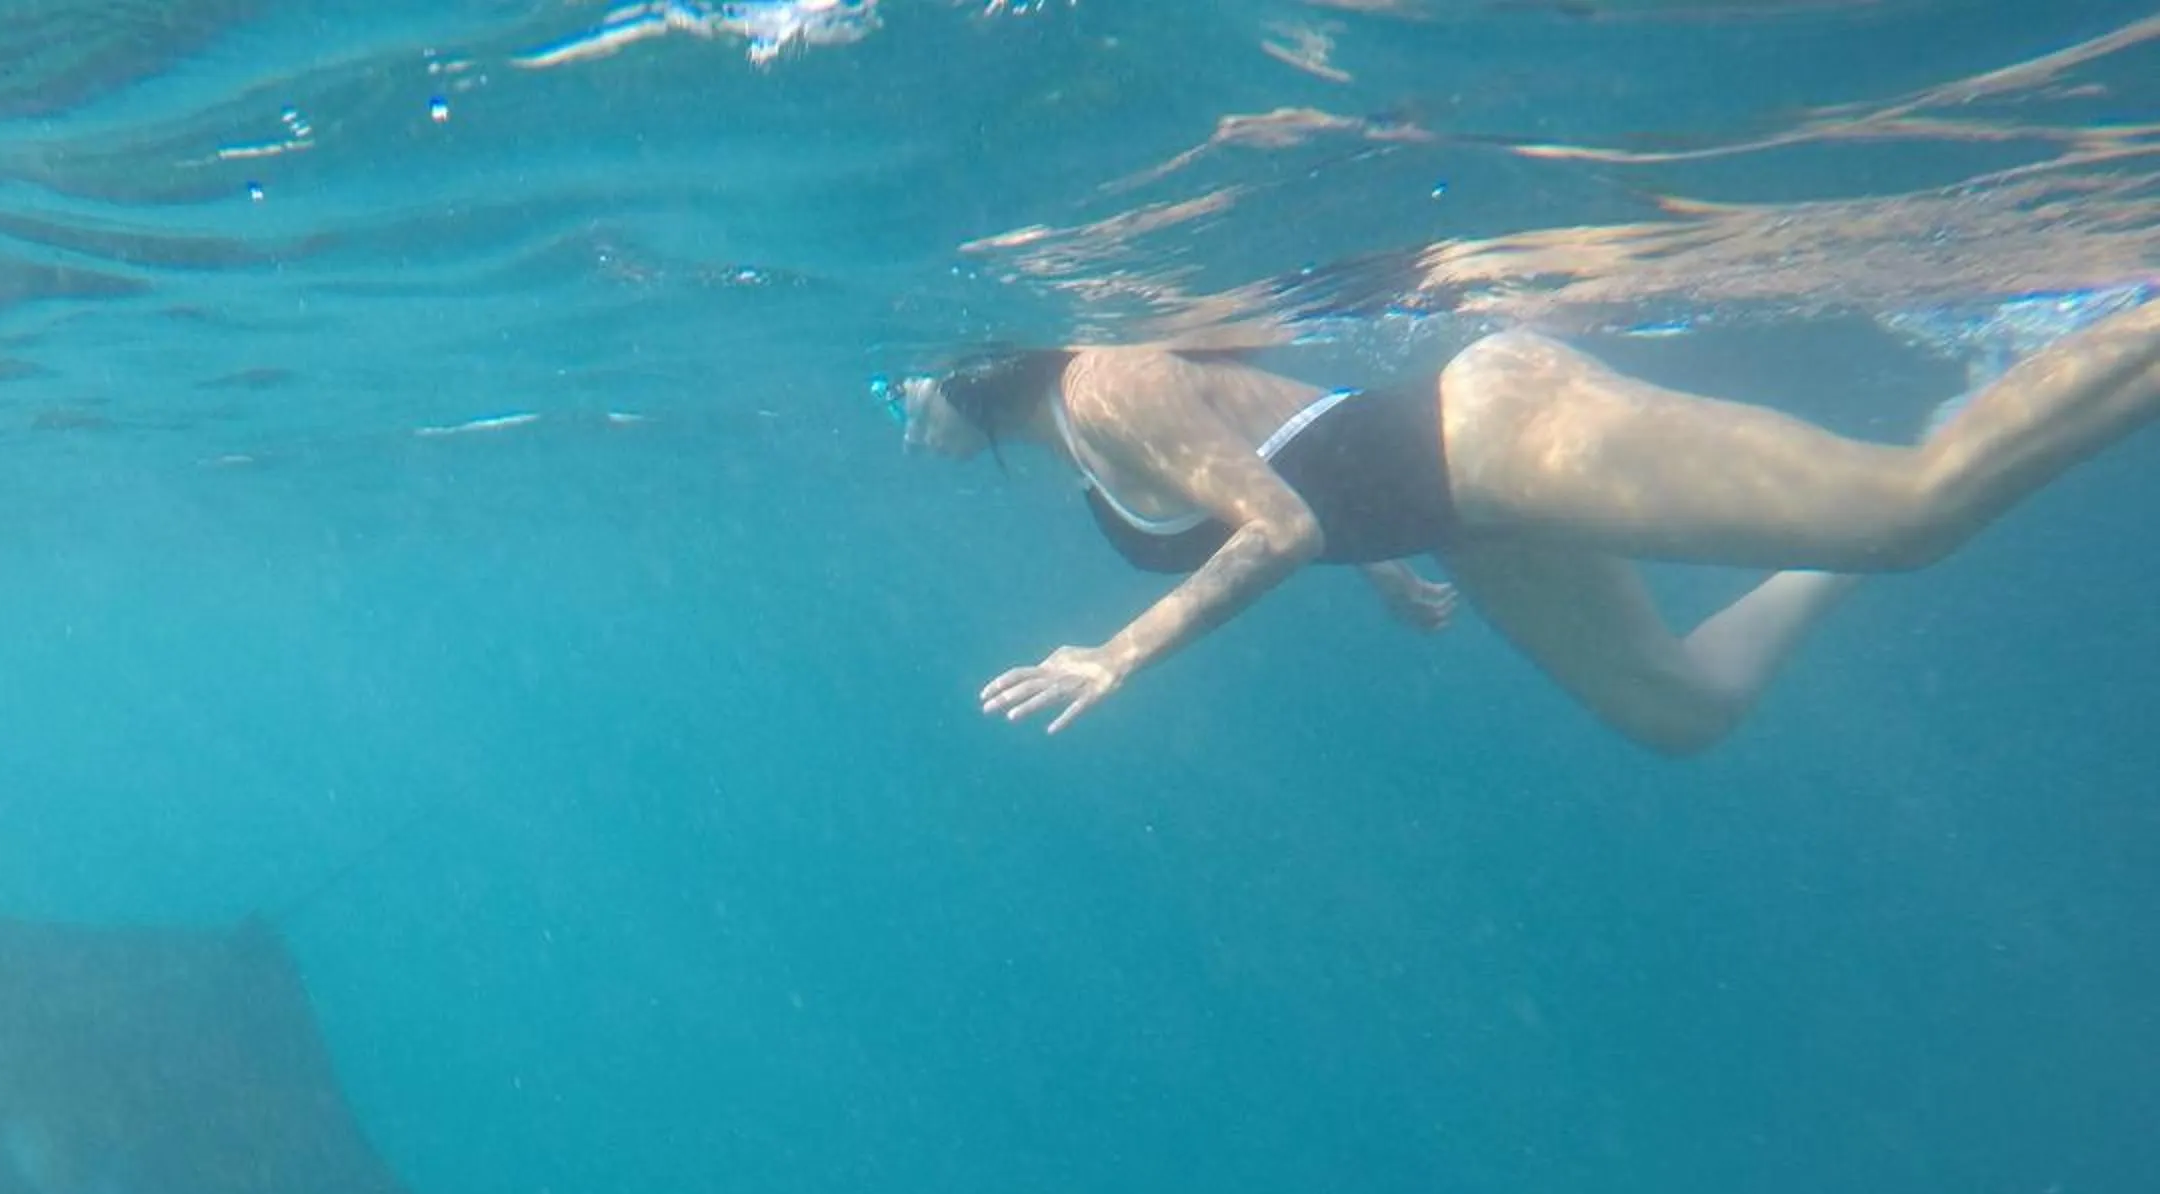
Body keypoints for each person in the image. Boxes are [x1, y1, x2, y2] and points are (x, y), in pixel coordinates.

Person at [885, 300, 2160, 750]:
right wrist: (1385, 572)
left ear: (970, 370)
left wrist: (1117, 656)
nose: (899, 404)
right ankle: (1822, 545)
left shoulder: (1102, 383)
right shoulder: (1075, 433)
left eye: (903, 383)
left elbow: (1276, 528)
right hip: (1461, 510)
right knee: (1678, 710)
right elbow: (1291, 453)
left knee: (1916, 511)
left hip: (1501, 434)